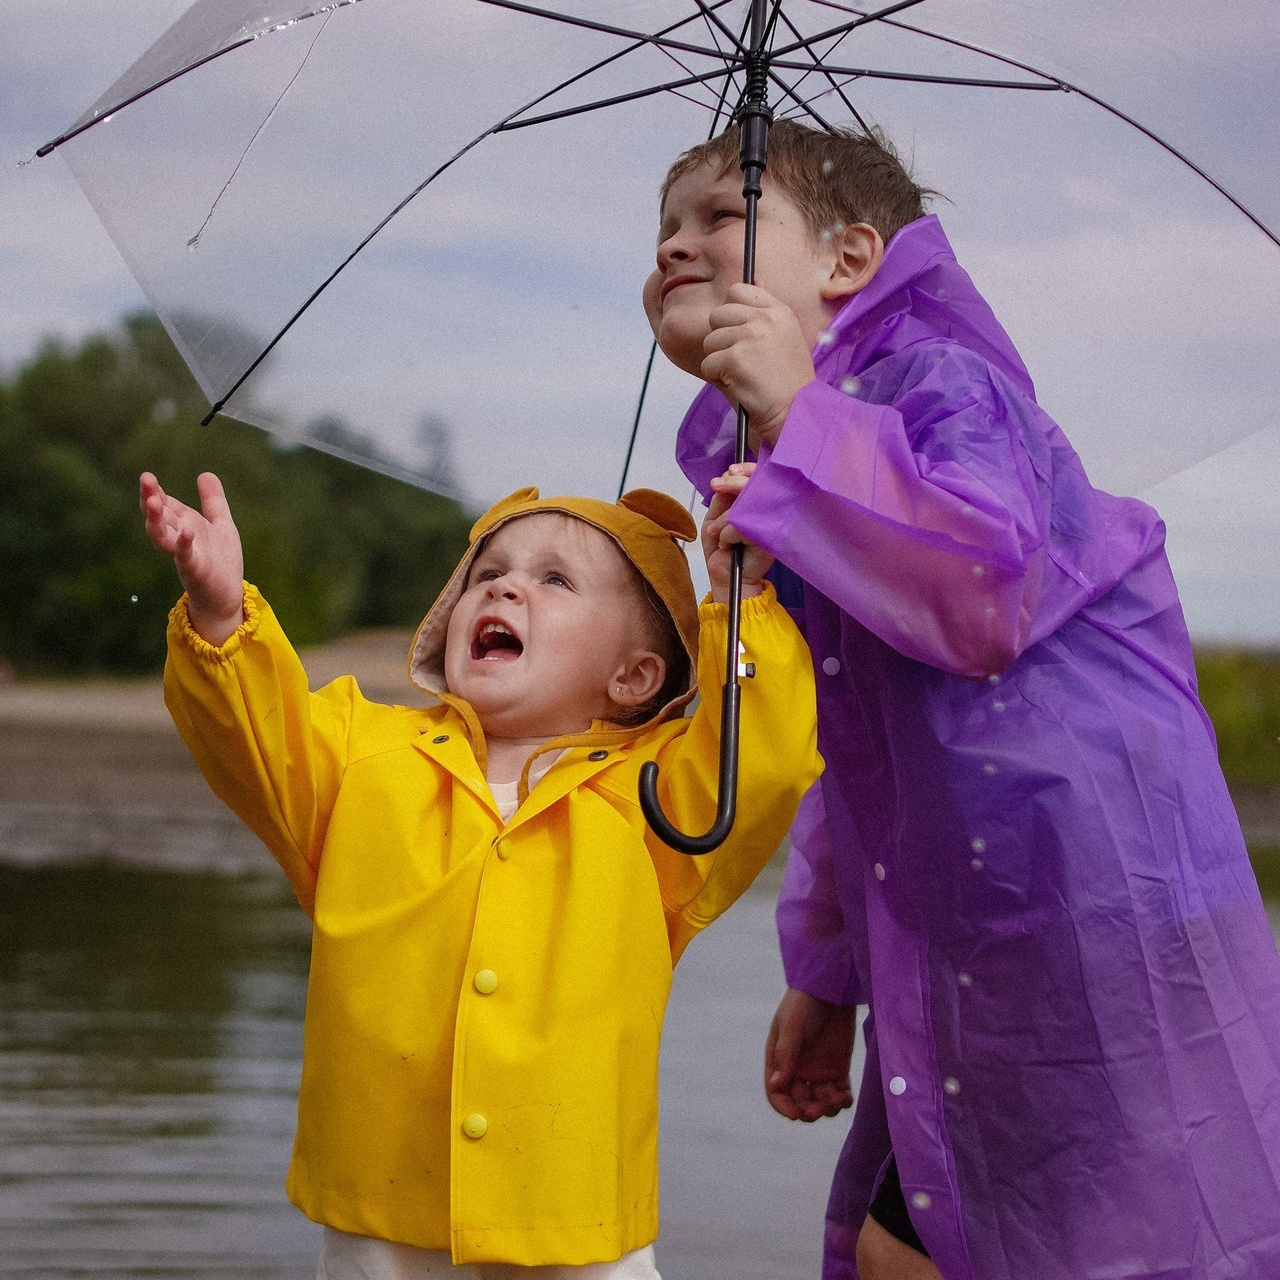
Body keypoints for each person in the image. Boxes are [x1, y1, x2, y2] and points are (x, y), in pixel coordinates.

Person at [642, 119, 1280, 1280]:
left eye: (720, 216)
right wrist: (824, 971)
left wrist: (799, 420)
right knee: (932, 1235)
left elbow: (979, 596)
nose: (674, 248)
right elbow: (854, 751)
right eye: (662, 230)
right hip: (962, 929)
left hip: (1085, 912)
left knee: (1046, 1237)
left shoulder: (943, 382)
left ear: (848, 260)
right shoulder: (793, 466)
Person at [139, 469, 821, 1279]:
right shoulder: (360, 754)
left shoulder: (658, 801)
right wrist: (221, 617)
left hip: (574, 1225)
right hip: (382, 1225)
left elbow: (768, 761)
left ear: (634, 677)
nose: (504, 588)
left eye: (555, 580)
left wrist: (740, 601)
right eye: (488, 572)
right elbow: (254, 739)